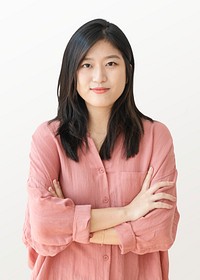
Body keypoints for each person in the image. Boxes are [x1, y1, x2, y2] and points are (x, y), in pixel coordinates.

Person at [23, 18, 180, 280]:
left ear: (128, 70)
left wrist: (70, 226)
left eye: (111, 63)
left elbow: (159, 230)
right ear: (72, 72)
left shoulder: (156, 137)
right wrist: (128, 213)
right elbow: (43, 225)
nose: (99, 77)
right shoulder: (48, 139)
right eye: (87, 65)